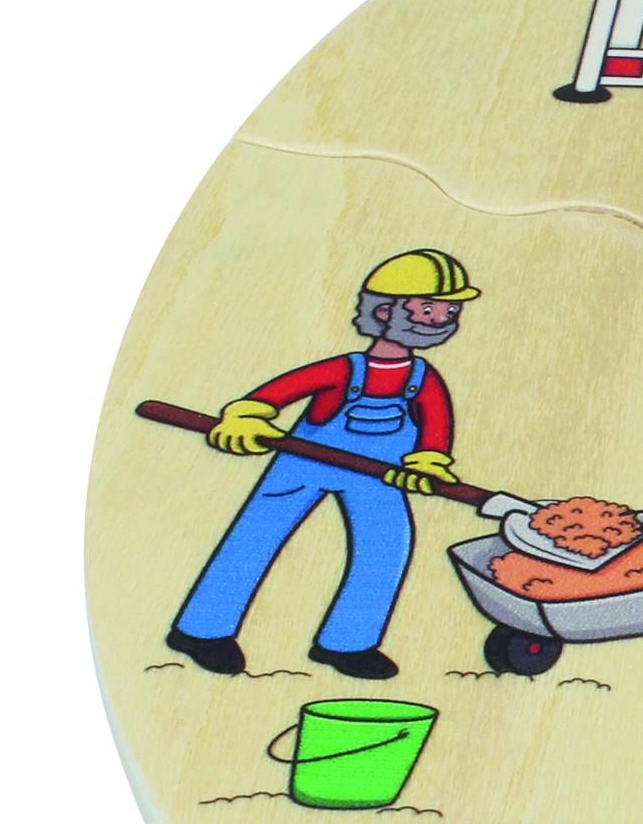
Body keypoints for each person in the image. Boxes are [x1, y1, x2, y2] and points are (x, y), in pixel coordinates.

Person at [164, 250, 479, 680]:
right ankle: (202, 631)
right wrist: (247, 416)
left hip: (379, 474)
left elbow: (435, 426)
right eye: (428, 309)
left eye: (449, 311)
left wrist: (427, 462)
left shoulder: (422, 378)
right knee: (256, 535)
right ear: (384, 311)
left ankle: (349, 643)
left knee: (386, 545)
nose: (441, 319)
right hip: (304, 463)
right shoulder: (344, 369)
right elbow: (283, 391)